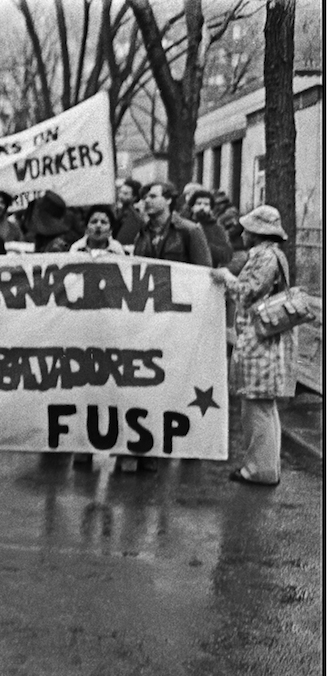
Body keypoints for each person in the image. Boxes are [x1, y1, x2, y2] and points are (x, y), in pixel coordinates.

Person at [119, 181, 212, 474]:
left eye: (153, 196)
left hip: (180, 321)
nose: (146, 201)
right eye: (144, 197)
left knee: (178, 379)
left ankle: (186, 443)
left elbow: (203, 273)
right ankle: (148, 448)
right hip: (149, 320)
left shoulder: (190, 231)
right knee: (150, 380)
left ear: (169, 200)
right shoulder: (143, 232)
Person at [210, 205, 296, 486]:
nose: (243, 233)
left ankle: (258, 469)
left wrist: (227, 278)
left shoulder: (265, 257)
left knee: (255, 407)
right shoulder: (274, 255)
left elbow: (248, 293)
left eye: (247, 229)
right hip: (264, 339)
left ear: (257, 233)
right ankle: (267, 467)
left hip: (258, 339)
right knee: (264, 408)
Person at [187, 188, 233, 267]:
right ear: (192, 207)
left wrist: (204, 244)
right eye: (198, 203)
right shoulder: (185, 225)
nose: (202, 207)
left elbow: (226, 255)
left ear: (210, 208)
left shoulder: (217, 229)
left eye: (206, 204)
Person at [114, 177, 146, 245]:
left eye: (125, 194)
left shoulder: (134, 217)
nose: (121, 196)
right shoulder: (119, 210)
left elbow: (123, 240)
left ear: (135, 197)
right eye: (120, 192)